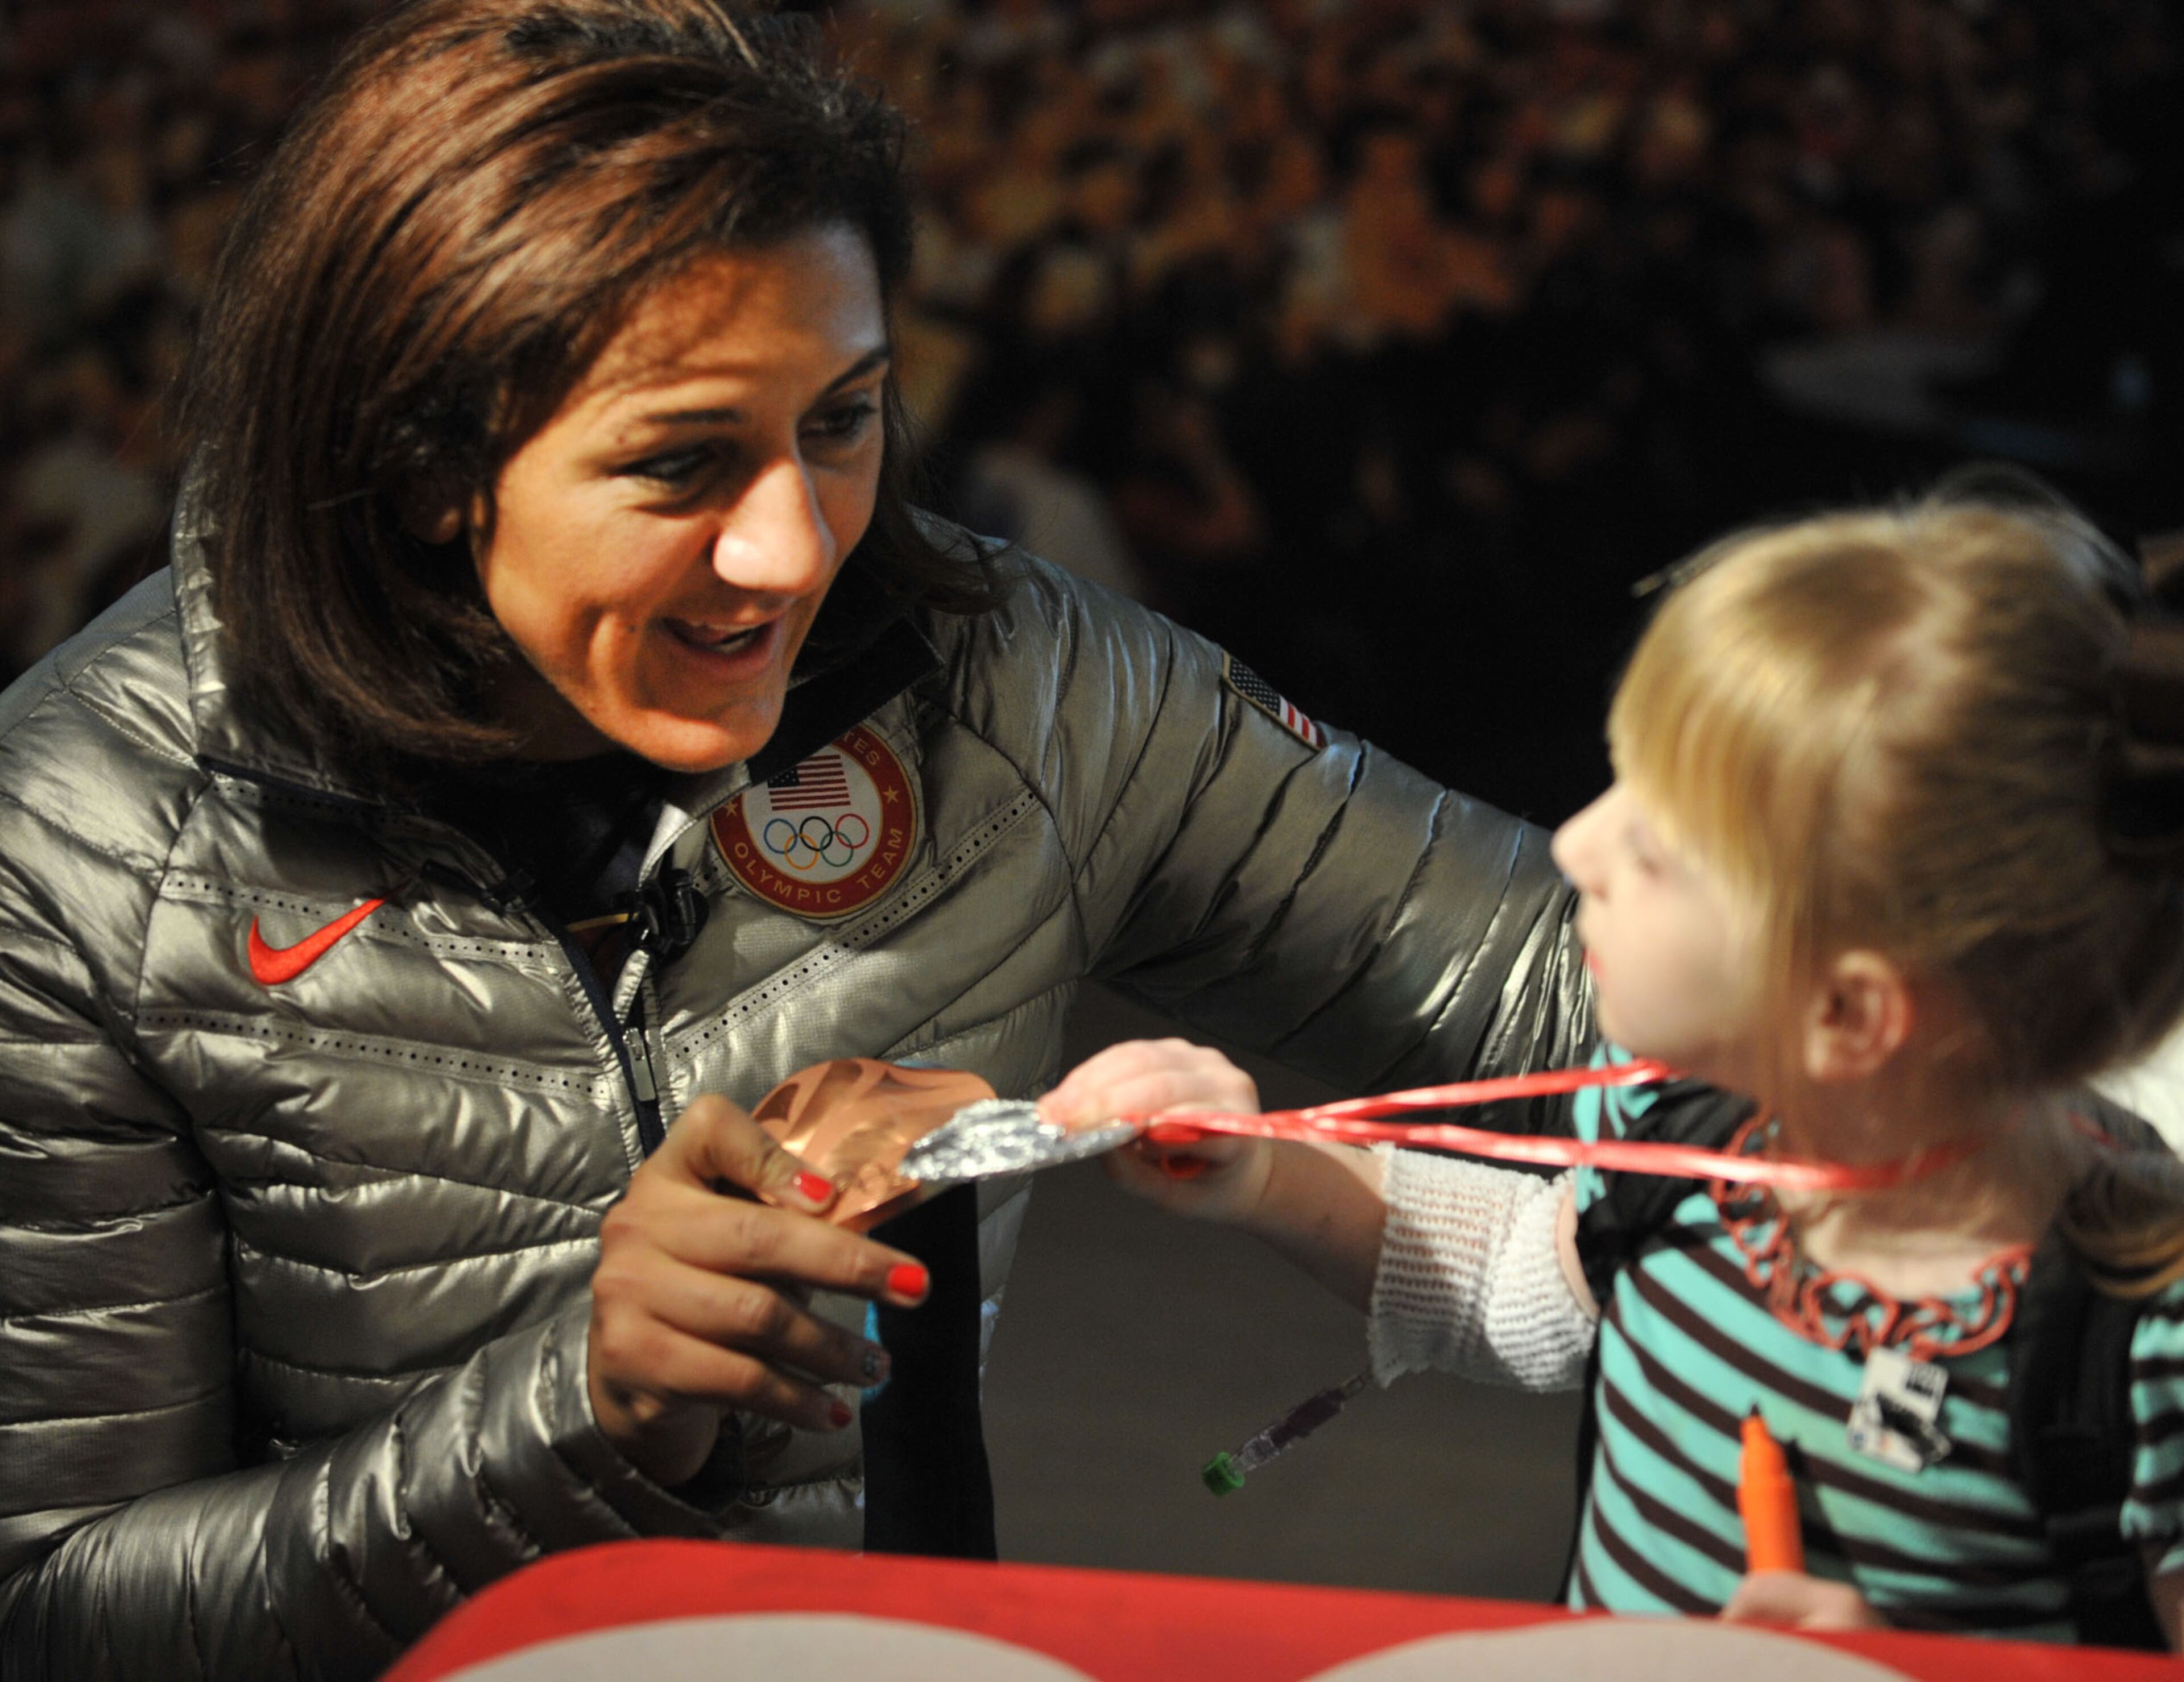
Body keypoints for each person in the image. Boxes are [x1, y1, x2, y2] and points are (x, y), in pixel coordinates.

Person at [0, 3, 1594, 1676]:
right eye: (682, 459)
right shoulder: (77, 842)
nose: (793, 546)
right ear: (418, 465)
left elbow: (1631, 1012)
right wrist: (583, 1406)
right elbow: (51, 1612)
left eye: (842, 420)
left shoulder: (1018, 683)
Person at [1047, 489, 2184, 1647]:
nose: (1579, 843)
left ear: (1847, 1013)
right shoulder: (1684, 1122)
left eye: (1657, 847)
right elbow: (1517, 1286)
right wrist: (1263, 1178)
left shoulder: (2140, 1328)